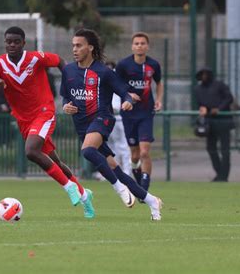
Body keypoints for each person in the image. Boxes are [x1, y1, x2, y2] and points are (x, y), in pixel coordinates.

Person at [0, 26, 95, 218]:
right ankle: (85, 196)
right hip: (23, 119)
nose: (11, 45)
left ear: (23, 43)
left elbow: (60, 61)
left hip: (44, 112)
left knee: (31, 151)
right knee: (56, 162)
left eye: (16, 41)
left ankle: (69, 187)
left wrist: (71, 81)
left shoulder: (36, 58)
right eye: (8, 41)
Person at [60, 28, 163, 221]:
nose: (74, 49)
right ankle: (151, 201)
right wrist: (66, 106)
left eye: (79, 45)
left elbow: (126, 92)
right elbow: (65, 95)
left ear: (90, 48)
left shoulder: (103, 72)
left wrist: (127, 101)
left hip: (102, 119)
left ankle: (119, 188)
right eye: (73, 45)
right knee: (113, 167)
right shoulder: (68, 70)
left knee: (88, 151)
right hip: (82, 126)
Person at [115, 32, 163, 193]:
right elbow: (116, 85)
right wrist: (127, 95)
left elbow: (159, 82)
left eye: (142, 43)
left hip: (146, 113)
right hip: (128, 114)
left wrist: (159, 99)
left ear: (147, 46)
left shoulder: (153, 65)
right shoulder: (123, 65)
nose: (139, 46)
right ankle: (137, 173)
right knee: (134, 155)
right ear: (132, 46)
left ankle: (144, 188)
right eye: (136, 43)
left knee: (144, 152)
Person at [194, 67, 234, 182]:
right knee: (211, 148)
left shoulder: (219, 85)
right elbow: (199, 103)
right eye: (202, 74)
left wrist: (219, 109)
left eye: (207, 74)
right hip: (209, 122)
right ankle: (219, 172)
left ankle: (224, 175)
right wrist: (202, 109)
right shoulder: (198, 89)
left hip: (223, 120)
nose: (204, 76)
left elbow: (229, 98)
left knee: (225, 149)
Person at [105, 61, 132, 177]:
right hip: (107, 117)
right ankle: (114, 171)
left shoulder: (117, 80)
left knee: (122, 145)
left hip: (119, 116)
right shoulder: (104, 80)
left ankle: (126, 171)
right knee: (110, 146)